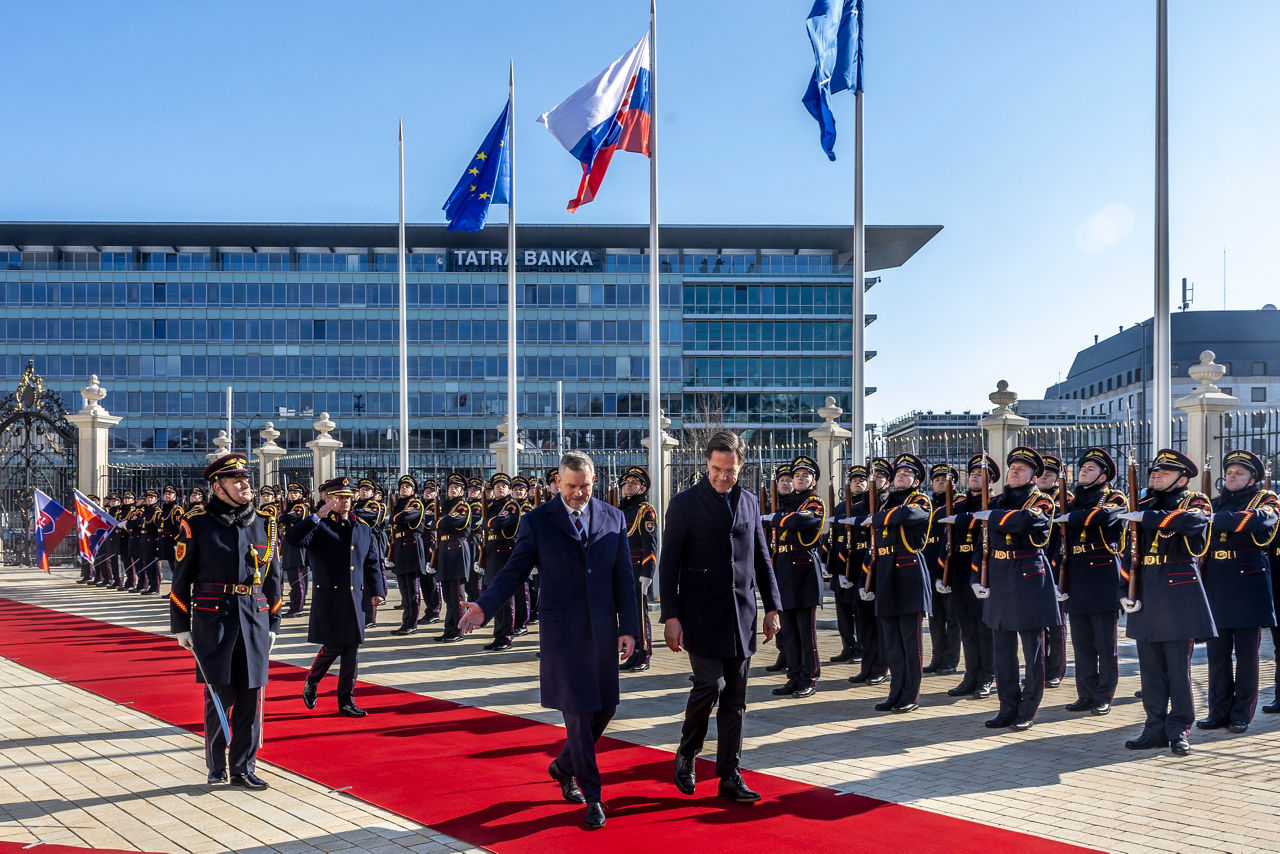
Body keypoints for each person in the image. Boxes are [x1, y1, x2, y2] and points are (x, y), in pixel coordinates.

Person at [460, 451, 638, 831]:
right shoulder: (538, 521)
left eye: (585, 486)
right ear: (557, 482)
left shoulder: (613, 516)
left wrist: (630, 628)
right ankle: (592, 796)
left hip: (603, 630)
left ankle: (562, 765)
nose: (579, 494)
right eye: (572, 486)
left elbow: (623, 576)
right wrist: (484, 607)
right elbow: (514, 572)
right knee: (577, 714)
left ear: (594, 481)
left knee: (606, 707)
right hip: (564, 634)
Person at [660, 430, 781, 803]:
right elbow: (669, 564)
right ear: (706, 464)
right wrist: (671, 616)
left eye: (730, 471)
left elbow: (761, 557)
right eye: (716, 469)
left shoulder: (748, 501)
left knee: (736, 701)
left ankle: (730, 774)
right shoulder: (684, 504)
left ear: (740, 467)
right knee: (709, 686)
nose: (722, 477)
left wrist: (773, 607)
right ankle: (688, 751)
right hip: (699, 613)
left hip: (740, 614)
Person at [169, 453, 282, 789]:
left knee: (251, 696)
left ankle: (244, 767)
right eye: (237, 481)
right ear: (218, 487)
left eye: (246, 479)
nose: (246, 485)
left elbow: (274, 579)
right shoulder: (197, 523)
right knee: (218, 695)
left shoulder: (264, 522)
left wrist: (273, 624)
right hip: (213, 619)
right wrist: (181, 625)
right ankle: (217, 764)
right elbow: (180, 579)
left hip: (253, 618)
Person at [1120, 448, 1217, 756]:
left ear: (1182, 478)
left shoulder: (1194, 501)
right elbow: (1127, 552)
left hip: (1178, 594)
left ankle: (1179, 728)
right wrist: (1124, 590)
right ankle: (1154, 727)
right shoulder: (1143, 503)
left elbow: (1192, 523)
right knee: (1150, 669)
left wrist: (1148, 517)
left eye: (1164, 472)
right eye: (1153, 471)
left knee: (1178, 669)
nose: (1155, 475)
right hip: (1146, 590)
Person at [972, 446, 1060, 732]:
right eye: (1013, 467)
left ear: (1034, 475)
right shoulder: (995, 500)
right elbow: (981, 542)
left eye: (1022, 469)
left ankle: (1028, 709)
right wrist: (977, 577)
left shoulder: (1042, 501)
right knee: (1002, 651)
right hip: (998, 574)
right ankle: (1007, 707)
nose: (1015, 471)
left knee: (1032, 650)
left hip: (1028, 576)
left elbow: (1027, 521)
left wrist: (992, 518)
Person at [287, 476, 387, 717]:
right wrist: (316, 516)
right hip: (330, 597)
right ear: (326, 498)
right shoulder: (319, 525)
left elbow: (371, 562)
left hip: (355, 599)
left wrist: (378, 591)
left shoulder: (361, 527)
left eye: (348, 497)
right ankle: (313, 680)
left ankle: (346, 701)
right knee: (333, 646)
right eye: (339, 497)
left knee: (351, 649)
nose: (345, 501)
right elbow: (293, 539)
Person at [1197, 449, 1278, 734]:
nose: (1231, 477)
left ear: (1252, 478)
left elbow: (1255, 521)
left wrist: (1209, 519)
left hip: (1248, 584)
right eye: (1229, 472)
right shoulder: (1215, 502)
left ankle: (1241, 714)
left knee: (1247, 656)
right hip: (1217, 581)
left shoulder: (1267, 500)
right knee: (1217, 654)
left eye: (1239, 473)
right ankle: (1218, 712)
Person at [1056, 447, 1127, 716]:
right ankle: (1085, 693)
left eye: (1090, 469)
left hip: (1102, 575)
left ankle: (1104, 695)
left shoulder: (1114, 496)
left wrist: (1071, 518)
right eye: (1083, 468)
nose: (1084, 472)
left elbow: (1105, 516)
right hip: (1076, 574)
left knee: (1105, 644)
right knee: (1082, 643)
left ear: (1103, 475)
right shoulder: (1071, 500)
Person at [862, 453, 933, 713]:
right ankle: (895, 692)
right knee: (891, 640)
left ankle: (910, 695)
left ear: (916, 481)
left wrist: (879, 519)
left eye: (907, 474)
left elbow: (908, 516)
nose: (901, 477)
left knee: (909, 640)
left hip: (909, 572)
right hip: (886, 572)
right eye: (898, 474)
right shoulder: (884, 503)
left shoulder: (921, 500)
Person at [618, 465, 658, 672]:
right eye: (627, 483)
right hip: (621, 570)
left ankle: (644, 654)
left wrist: (647, 574)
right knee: (626, 614)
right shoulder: (621, 510)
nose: (629, 486)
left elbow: (650, 545)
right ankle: (631, 654)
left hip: (637, 569)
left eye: (634, 483)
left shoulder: (645, 511)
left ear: (642, 488)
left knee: (640, 615)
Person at [826, 466, 866, 665]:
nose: (857, 483)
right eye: (854, 480)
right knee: (842, 612)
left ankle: (861, 648)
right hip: (840, 564)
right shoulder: (842, 506)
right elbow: (834, 536)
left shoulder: (868, 504)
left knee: (859, 612)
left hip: (858, 564)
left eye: (861, 480)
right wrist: (830, 566)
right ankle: (847, 646)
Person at [923, 464, 961, 675]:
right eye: (936, 478)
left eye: (944, 479)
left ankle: (950, 660)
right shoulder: (927, 504)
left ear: (953, 483)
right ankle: (937, 658)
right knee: (935, 619)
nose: (939, 481)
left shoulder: (957, 503)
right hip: (930, 569)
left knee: (952, 621)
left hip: (950, 569)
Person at [1037, 455, 1069, 689]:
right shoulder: (1033, 499)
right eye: (1041, 474)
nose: (1043, 478)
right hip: (1037, 566)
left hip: (1057, 565)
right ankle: (1039, 668)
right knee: (1038, 622)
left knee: (1057, 624)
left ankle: (1055, 668)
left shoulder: (1065, 500)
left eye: (1049, 475)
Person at [480, 473, 521, 651]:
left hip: (504, 554)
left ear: (509, 489)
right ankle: (498, 635)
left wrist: (487, 522)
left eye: (504, 486)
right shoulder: (491, 506)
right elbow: (486, 525)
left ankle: (505, 637)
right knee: (496, 597)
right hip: (491, 554)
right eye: (497, 486)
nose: (500, 488)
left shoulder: (510, 505)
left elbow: (500, 523)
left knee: (505, 598)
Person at [434, 473, 474, 642]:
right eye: (451, 487)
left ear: (462, 491)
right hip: (445, 549)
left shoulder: (463, 506)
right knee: (448, 595)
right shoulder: (445, 507)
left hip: (456, 549)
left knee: (457, 595)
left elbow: (451, 522)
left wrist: (440, 521)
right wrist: (442, 520)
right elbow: (443, 522)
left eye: (456, 487)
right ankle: (449, 629)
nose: (453, 489)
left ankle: (458, 631)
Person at [389, 475, 428, 636]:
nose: (404, 489)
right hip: (400, 547)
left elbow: (404, 517)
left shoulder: (416, 503)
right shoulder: (399, 504)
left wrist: (394, 518)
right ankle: (406, 621)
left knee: (412, 590)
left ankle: (411, 623)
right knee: (404, 589)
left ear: (413, 490)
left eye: (407, 487)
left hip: (411, 546)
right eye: (402, 486)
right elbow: (394, 519)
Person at [278, 482, 313, 618]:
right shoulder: (291, 507)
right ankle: (295, 605)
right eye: (291, 492)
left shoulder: (301, 507)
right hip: (290, 545)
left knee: (297, 578)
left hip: (297, 547)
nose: (292, 494)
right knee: (294, 578)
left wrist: (281, 517)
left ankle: (297, 608)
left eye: (295, 492)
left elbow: (289, 517)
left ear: (301, 495)